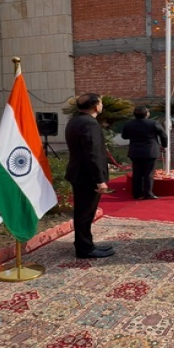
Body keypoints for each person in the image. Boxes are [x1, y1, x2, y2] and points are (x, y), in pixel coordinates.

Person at [64, 93, 115, 258]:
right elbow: (92, 154)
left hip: (78, 173)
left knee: (83, 212)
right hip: (87, 176)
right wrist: (99, 179)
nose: (102, 105)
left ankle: (85, 243)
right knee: (85, 213)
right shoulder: (89, 124)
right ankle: (84, 248)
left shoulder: (75, 120)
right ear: (95, 106)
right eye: (100, 102)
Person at [121, 105, 167, 200]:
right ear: (147, 114)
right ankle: (148, 193)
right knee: (148, 173)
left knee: (137, 173)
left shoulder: (129, 123)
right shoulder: (154, 123)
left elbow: (124, 136)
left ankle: (136, 193)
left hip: (135, 151)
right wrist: (164, 145)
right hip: (150, 151)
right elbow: (163, 135)